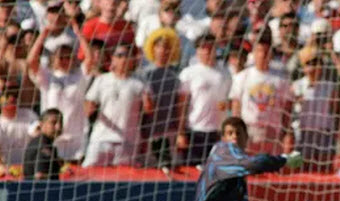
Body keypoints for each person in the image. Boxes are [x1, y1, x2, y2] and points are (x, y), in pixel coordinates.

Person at [28, 19, 94, 162]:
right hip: (52, 138)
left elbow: (90, 59)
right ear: (52, 58)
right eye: (60, 56)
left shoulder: (79, 76)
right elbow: (31, 60)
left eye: (68, 56)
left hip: (75, 139)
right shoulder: (47, 76)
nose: (64, 60)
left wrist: (79, 33)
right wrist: (43, 34)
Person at [82, 44, 144, 167]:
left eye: (127, 55)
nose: (123, 59)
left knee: (122, 180)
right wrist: (90, 108)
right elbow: (88, 105)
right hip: (101, 137)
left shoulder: (140, 83)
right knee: (89, 172)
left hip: (127, 141)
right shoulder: (102, 80)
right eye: (119, 55)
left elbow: (148, 111)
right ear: (112, 58)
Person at [178, 33, 232, 167]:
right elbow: (182, 104)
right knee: (193, 172)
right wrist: (181, 133)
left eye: (210, 47)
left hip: (218, 132)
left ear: (216, 49)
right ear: (197, 50)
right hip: (195, 130)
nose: (207, 51)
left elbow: (230, 102)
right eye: (203, 48)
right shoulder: (188, 73)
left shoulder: (225, 73)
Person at [140, 27, 182, 170]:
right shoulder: (145, 74)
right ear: (152, 48)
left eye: (167, 47)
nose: (163, 51)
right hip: (149, 131)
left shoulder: (177, 74)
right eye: (159, 47)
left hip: (170, 130)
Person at [23, 108, 63, 180]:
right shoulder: (44, 146)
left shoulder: (38, 141)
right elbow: (40, 176)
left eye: (60, 123)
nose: (58, 127)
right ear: (41, 124)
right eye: (53, 123)